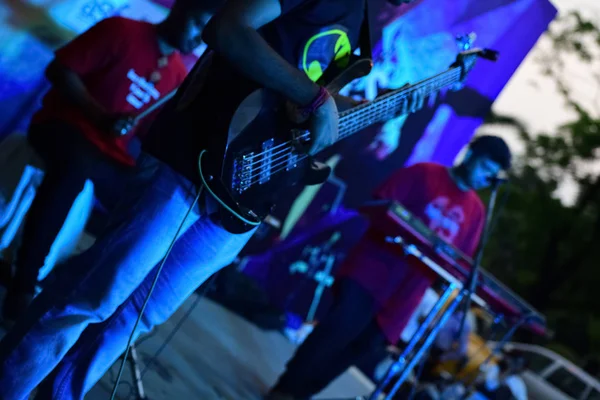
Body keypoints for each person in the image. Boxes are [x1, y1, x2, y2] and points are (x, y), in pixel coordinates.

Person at [0, 0, 416, 399]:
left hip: (251, 191)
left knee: (136, 318)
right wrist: (316, 99)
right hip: (195, 157)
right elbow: (227, 28)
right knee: (94, 295)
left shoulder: (360, 18)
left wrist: (378, 107)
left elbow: (307, 98)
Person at [1, 0, 219, 323]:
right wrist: (99, 116)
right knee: (74, 168)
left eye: (207, 32)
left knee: (149, 201)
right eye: (198, 25)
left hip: (108, 154)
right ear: (180, 11)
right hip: (61, 128)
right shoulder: (121, 30)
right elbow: (60, 70)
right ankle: (23, 284)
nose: (199, 38)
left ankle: (80, 292)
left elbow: (147, 136)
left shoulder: (176, 76)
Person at [269, 135, 512, 400]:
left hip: (405, 297)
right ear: (470, 154)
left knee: (358, 350)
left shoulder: (475, 212)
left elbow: (458, 261)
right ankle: (285, 388)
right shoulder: (424, 173)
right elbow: (378, 205)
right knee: (335, 332)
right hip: (371, 272)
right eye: (485, 168)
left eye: (491, 175)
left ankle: (301, 394)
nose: (485, 178)